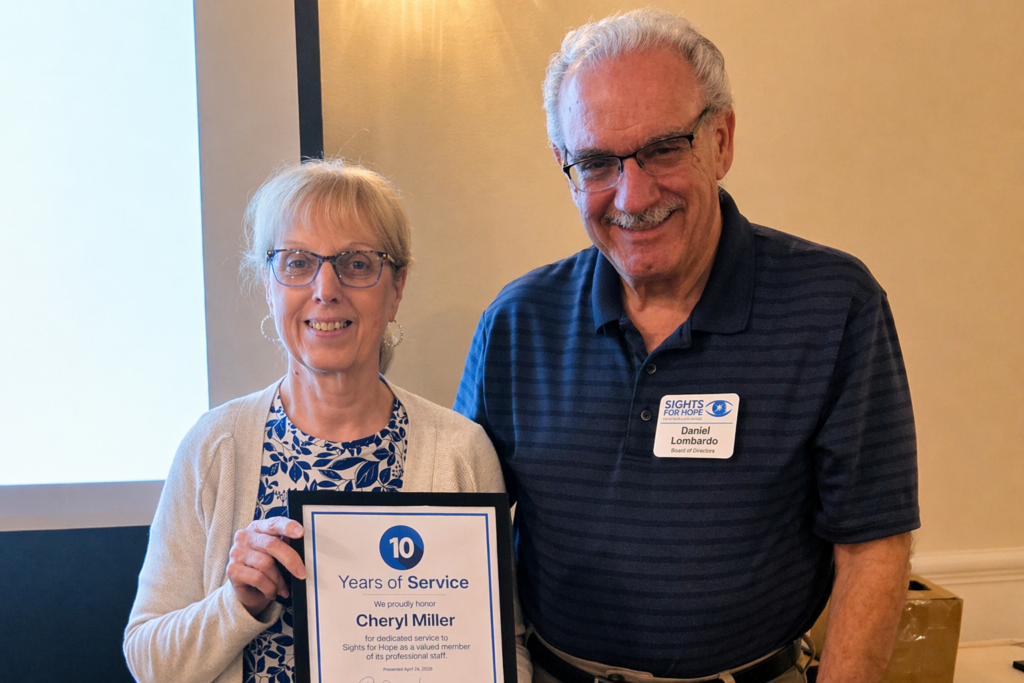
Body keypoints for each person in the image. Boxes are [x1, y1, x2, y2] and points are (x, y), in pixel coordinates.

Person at [455, 9, 918, 683]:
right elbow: (460, 532)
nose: (632, 195)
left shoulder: (836, 307)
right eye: (597, 162)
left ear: (722, 140)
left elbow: (874, 546)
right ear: (566, 166)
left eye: (664, 149)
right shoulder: (518, 321)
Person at [125, 160, 532, 683]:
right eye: (297, 262)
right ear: (270, 285)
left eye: (357, 263)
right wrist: (236, 604)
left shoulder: (459, 449)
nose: (325, 288)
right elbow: (148, 661)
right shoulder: (215, 446)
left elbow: (507, 651)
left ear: (397, 286)